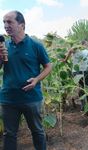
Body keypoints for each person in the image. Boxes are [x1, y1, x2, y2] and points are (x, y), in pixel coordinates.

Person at [0, 11, 52, 150]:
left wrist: (36, 80)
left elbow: (48, 66)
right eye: (4, 22)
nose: (5, 25)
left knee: (37, 131)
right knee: (9, 134)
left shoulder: (36, 45)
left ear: (21, 25)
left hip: (31, 98)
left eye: (9, 22)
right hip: (8, 98)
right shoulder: (4, 46)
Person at [61, 40, 88, 112]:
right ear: (82, 44)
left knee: (87, 87)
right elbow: (70, 50)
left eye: (87, 44)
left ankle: (86, 105)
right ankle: (84, 106)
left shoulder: (87, 51)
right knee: (82, 88)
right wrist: (65, 60)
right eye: (85, 44)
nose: (86, 45)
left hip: (85, 71)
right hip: (77, 71)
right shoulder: (77, 49)